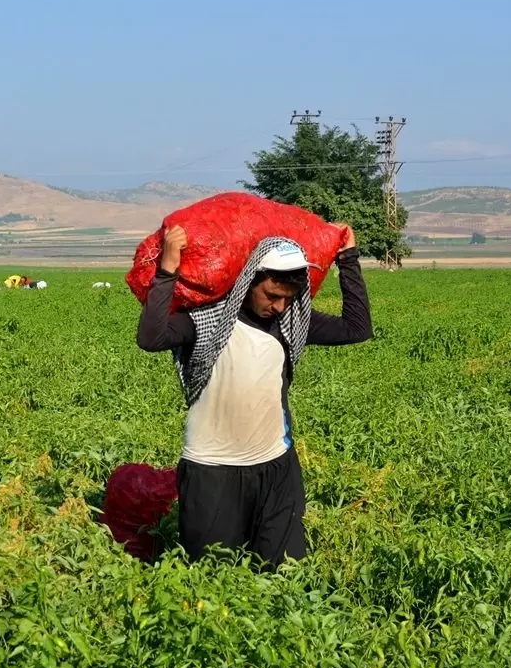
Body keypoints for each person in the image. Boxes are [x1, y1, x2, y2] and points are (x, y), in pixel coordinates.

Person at [136, 225, 371, 569]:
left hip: (276, 468)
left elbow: (357, 328)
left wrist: (348, 260)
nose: (279, 306)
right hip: (212, 471)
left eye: (288, 299)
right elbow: (151, 337)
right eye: (271, 295)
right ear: (249, 281)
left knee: (284, 572)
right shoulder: (205, 321)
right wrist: (168, 269)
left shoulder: (294, 322)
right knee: (212, 575)